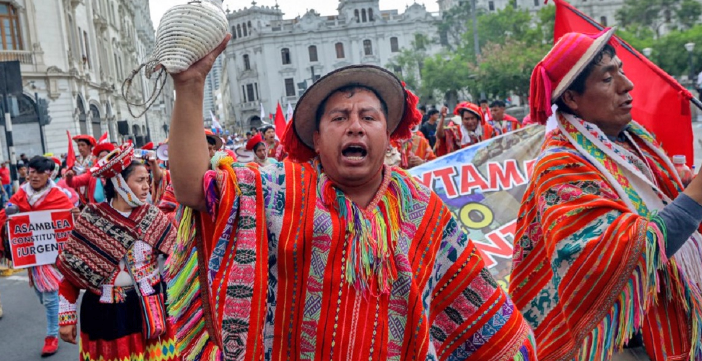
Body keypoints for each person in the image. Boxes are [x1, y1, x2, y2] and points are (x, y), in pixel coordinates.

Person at [167, 35, 536, 361]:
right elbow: (194, 188)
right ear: (316, 137)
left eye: (369, 117)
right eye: (340, 117)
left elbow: (482, 314)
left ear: (389, 133)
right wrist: (190, 84)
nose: (355, 125)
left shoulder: (424, 210)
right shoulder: (277, 190)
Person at [510, 28, 702, 361]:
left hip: (673, 320)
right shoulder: (560, 165)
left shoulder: (634, 143)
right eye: (606, 78)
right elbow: (614, 252)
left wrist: (680, 188)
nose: (626, 85)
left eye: (622, 70)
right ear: (571, 99)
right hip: (619, 345)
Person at [56, 144, 179, 361]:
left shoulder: (154, 217)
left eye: (148, 181)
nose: (146, 187)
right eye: (140, 181)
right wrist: (66, 319)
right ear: (119, 183)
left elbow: (179, 259)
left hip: (150, 309)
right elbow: (72, 273)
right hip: (105, 314)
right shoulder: (92, 218)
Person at [0, 156, 75, 357]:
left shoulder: (59, 195)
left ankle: (51, 336)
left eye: (38, 172)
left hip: (53, 257)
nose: (33, 176)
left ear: (48, 174)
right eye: (30, 171)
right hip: (31, 254)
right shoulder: (20, 195)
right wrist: (8, 215)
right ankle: (61, 311)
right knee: (43, 296)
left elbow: (69, 221)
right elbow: (7, 215)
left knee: (50, 296)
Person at [64, 139, 114, 205]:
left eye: (105, 157)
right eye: (100, 157)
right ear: (97, 159)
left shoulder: (117, 172)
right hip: (95, 207)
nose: (103, 159)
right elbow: (75, 182)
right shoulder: (93, 173)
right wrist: (69, 178)